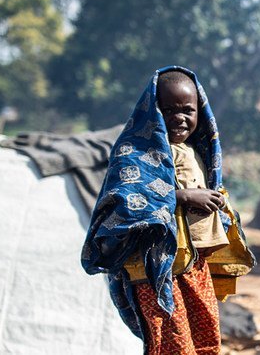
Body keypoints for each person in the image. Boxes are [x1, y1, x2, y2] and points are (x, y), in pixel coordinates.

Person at [82, 67, 235, 355]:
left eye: (187, 110)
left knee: (205, 340)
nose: (179, 118)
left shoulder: (197, 151)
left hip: (194, 266)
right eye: (168, 109)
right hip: (156, 270)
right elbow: (125, 201)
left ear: (200, 112)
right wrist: (182, 196)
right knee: (172, 343)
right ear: (152, 112)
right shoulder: (135, 152)